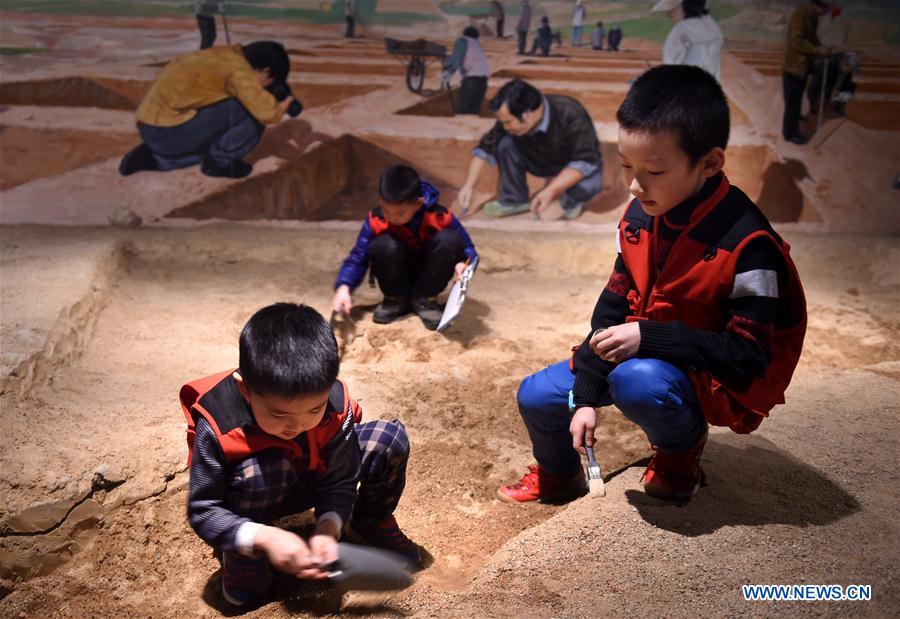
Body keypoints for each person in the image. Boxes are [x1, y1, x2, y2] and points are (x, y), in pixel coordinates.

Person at [497, 65, 807, 504]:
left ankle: (681, 454)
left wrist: (649, 336)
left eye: (654, 172)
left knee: (637, 382)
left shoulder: (748, 244)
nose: (634, 185)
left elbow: (747, 357)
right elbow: (611, 309)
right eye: (626, 166)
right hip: (643, 348)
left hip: (705, 376)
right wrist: (584, 394)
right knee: (537, 395)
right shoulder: (642, 215)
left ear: (710, 163)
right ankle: (559, 474)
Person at [182, 302, 419, 608]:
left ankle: (369, 521)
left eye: (314, 409)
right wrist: (263, 538)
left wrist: (328, 526)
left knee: (388, 439)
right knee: (262, 469)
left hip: (310, 475)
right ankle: (244, 555)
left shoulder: (334, 403)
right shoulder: (218, 424)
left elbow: (342, 479)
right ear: (245, 391)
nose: (297, 424)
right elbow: (203, 510)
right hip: (253, 494)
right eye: (278, 413)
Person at [118, 41, 297, 179]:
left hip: (150, 128)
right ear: (266, 71)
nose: (267, 87)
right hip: (169, 134)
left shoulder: (222, 55)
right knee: (249, 112)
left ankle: (155, 159)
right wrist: (284, 103)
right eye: (270, 82)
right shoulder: (239, 71)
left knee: (226, 118)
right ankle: (219, 163)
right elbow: (267, 113)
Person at [332, 165, 478, 331]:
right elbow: (358, 257)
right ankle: (394, 300)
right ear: (380, 200)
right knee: (383, 244)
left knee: (449, 239)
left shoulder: (440, 217)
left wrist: (463, 265)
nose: (391, 218)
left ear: (418, 203)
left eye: (399, 214)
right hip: (395, 275)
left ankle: (425, 300)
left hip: (430, 275)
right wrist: (344, 287)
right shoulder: (375, 220)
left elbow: (468, 250)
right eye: (385, 210)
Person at [457, 79, 603, 221]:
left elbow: (585, 161)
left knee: (588, 187)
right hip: (539, 162)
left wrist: (550, 191)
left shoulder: (569, 111)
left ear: (527, 114)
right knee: (505, 143)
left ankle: (569, 201)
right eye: (503, 122)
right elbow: (484, 149)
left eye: (508, 122)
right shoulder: (510, 116)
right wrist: (469, 186)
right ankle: (514, 200)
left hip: (571, 167)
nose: (505, 126)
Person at [782, 0, 832, 145]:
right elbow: (796, 41)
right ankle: (790, 133)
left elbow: (812, 38)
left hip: (803, 67)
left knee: (797, 97)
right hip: (794, 67)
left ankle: (796, 116)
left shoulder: (812, 16)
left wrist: (821, 47)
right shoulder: (800, 15)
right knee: (792, 102)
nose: (826, 13)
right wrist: (817, 50)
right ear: (819, 5)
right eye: (826, 9)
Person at [653, 0, 724, 80]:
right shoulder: (713, 27)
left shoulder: (680, 30)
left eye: (671, 9)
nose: (668, 15)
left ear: (683, 6)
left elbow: (670, 65)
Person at [444, 26, 491, 115]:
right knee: (473, 113)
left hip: (472, 81)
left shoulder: (462, 41)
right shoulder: (477, 45)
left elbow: (456, 58)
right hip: (483, 82)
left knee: (462, 111)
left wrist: (448, 72)